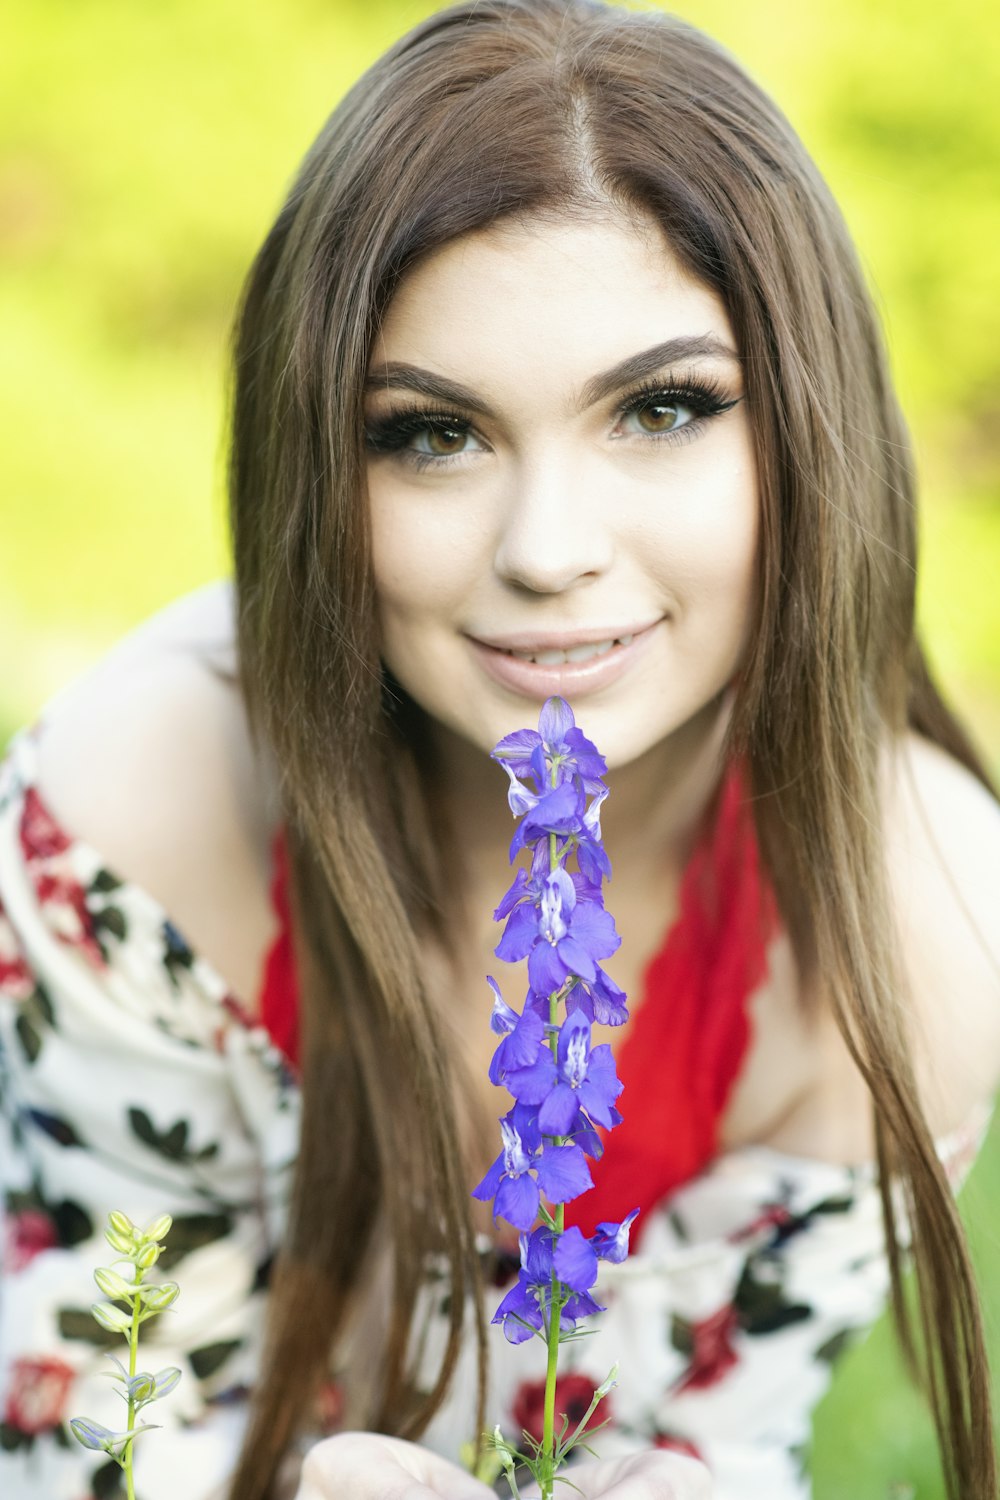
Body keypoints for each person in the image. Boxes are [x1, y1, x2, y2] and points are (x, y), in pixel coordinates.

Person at [1, 0, 998, 1496]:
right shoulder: (144, 806)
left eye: (662, 409)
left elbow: (715, 1446)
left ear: (809, 431)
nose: (547, 551)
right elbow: (78, 1430)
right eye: (432, 434)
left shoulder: (928, 917)